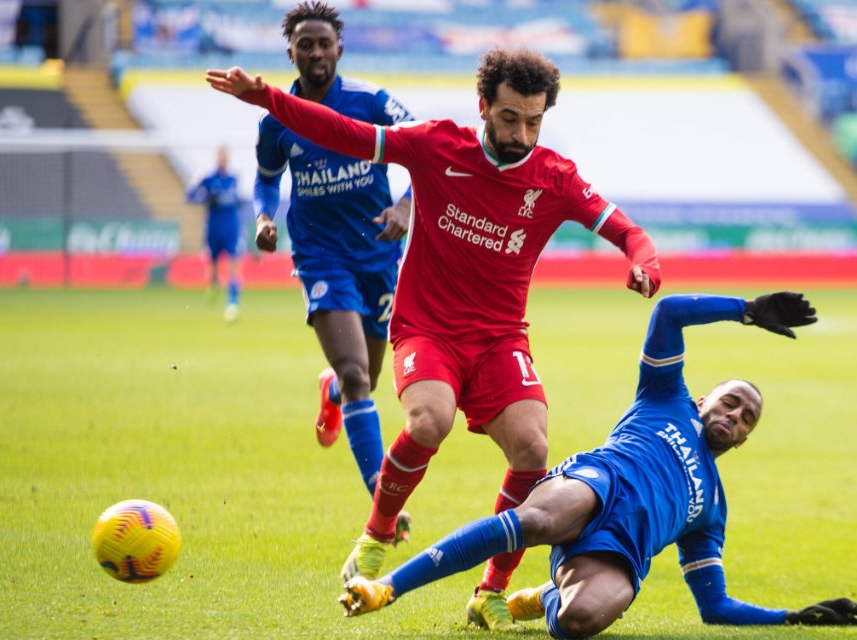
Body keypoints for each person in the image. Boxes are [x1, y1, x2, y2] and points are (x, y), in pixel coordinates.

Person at [206, 46, 662, 629]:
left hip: (501, 341)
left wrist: (645, 263)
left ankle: (490, 589)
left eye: (534, 121)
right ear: (483, 107)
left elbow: (631, 233)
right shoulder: (435, 145)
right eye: (509, 118)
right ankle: (375, 534)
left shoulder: (555, 178)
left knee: (534, 450)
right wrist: (268, 97)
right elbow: (346, 133)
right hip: (428, 329)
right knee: (429, 421)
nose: (522, 133)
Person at [338, 291, 857, 637]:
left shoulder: (712, 510)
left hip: (619, 554)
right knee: (537, 520)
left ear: (747, 437)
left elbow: (715, 607)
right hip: (597, 483)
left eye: (747, 416)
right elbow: (667, 313)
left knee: (579, 620)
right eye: (729, 401)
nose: (735, 414)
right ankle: (387, 588)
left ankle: (543, 597)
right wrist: (745, 311)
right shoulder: (666, 396)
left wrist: (793, 616)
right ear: (705, 399)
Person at [250, 1, 415, 537]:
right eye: (306, 44)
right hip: (320, 255)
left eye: (324, 43)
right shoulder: (275, 120)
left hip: (378, 251)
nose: (316, 52)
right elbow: (266, 178)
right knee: (357, 377)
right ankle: (381, 505)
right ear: (291, 51)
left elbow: (427, 147)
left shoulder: (370, 101)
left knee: (365, 374)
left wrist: (406, 208)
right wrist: (263, 217)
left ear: (339, 49)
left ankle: (333, 394)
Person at [186, 145, 243, 322]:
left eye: (224, 156)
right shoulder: (208, 179)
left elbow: (241, 201)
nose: (222, 160)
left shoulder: (234, 179)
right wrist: (204, 195)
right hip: (213, 228)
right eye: (220, 157)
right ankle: (213, 285)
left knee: (234, 265)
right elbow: (190, 195)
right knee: (213, 265)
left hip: (231, 228)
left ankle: (232, 303)